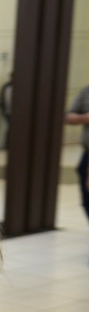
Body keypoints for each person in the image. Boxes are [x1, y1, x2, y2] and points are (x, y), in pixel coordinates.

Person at [65, 83, 89, 221]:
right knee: (86, 198)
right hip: (87, 153)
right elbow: (68, 116)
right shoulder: (86, 91)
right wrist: (84, 118)